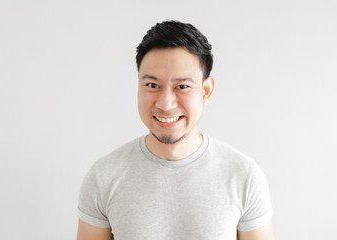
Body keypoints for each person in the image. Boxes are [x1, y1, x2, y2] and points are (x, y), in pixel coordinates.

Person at [77, 20, 274, 240]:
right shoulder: (104, 177)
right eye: (153, 85)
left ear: (206, 91)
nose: (165, 103)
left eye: (182, 86)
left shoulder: (244, 176)